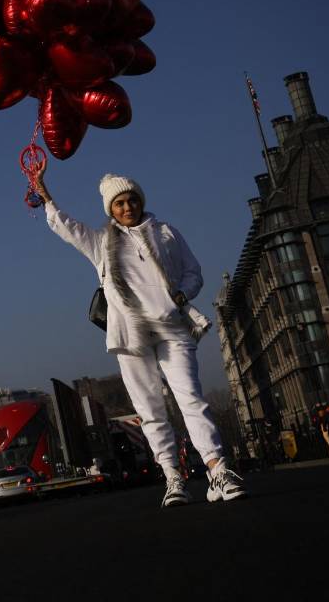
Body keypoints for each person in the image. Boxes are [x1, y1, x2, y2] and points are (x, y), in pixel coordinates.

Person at [34, 169, 248, 508]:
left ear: (140, 201)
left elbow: (193, 271)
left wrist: (182, 295)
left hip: (172, 327)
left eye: (132, 199)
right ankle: (173, 477)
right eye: (119, 203)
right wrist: (45, 196)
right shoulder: (101, 243)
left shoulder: (166, 233)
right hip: (130, 334)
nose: (127, 206)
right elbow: (67, 227)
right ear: (110, 209)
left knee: (190, 398)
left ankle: (217, 470)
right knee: (150, 408)